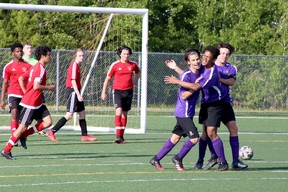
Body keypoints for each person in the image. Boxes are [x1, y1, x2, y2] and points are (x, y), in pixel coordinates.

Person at [164, 46, 229, 171]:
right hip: (205, 103)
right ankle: (209, 158)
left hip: (215, 104)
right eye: (203, 56)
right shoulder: (203, 67)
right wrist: (176, 68)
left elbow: (195, 85)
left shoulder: (211, 73)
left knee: (211, 133)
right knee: (205, 134)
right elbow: (191, 73)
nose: (203, 59)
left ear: (213, 59)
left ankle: (223, 162)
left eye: (207, 57)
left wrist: (177, 81)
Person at [194, 43, 248, 170]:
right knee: (206, 133)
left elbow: (231, 82)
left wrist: (217, 79)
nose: (225, 56)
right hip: (209, 103)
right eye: (222, 53)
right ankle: (203, 160)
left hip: (225, 103)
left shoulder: (230, 68)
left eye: (227, 54)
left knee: (233, 128)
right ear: (217, 54)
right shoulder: (207, 66)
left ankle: (235, 161)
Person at [150, 48, 201, 171]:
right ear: (188, 62)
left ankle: (156, 159)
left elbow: (186, 76)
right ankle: (178, 158)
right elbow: (184, 95)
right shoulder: (187, 75)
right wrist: (197, 86)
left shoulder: (197, 73)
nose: (196, 62)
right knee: (194, 138)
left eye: (197, 59)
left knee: (175, 138)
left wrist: (175, 68)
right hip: (183, 113)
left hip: (186, 112)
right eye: (193, 60)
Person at [1, 45, 55, 160]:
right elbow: (36, 86)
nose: (51, 57)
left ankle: (24, 136)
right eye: (49, 55)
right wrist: (49, 87)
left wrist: (26, 91)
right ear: (43, 56)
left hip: (38, 102)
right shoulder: (39, 69)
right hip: (30, 103)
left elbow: (21, 78)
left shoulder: (35, 67)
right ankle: (6, 150)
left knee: (48, 122)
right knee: (21, 128)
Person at [45, 48, 97, 142]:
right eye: (80, 55)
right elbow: (73, 81)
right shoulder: (74, 66)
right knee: (69, 115)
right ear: (75, 56)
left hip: (76, 92)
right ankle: (52, 131)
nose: (82, 57)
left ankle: (84, 135)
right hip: (73, 92)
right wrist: (78, 94)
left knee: (82, 113)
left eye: (83, 55)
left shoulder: (77, 66)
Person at [101, 45, 140, 144]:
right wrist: (103, 92)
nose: (126, 56)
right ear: (120, 54)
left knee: (125, 114)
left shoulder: (133, 64)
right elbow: (108, 79)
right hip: (117, 91)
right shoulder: (115, 65)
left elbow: (138, 73)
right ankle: (117, 136)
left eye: (128, 54)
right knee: (118, 111)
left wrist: (133, 82)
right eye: (124, 54)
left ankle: (121, 136)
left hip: (129, 91)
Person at [0, 43, 31, 145]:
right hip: (13, 93)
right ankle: (14, 135)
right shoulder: (8, 66)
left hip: (24, 94)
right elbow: (5, 83)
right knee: (14, 112)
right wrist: (2, 99)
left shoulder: (28, 66)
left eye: (21, 51)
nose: (20, 53)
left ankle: (20, 135)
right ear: (12, 53)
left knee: (22, 119)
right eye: (17, 51)